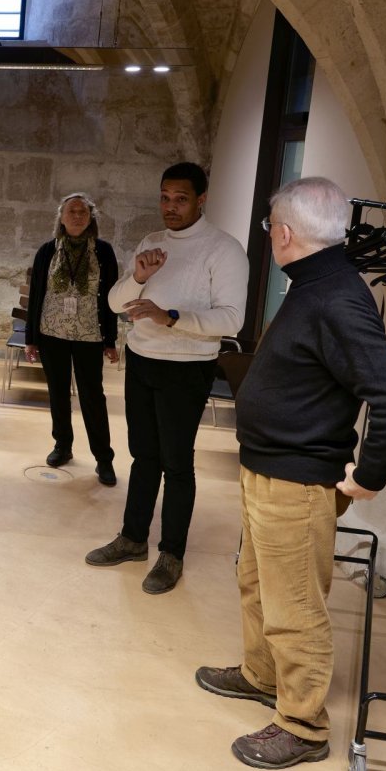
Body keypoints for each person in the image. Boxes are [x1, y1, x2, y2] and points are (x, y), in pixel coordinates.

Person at [195, 178, 386, 769]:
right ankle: (261, 674)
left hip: (297, 483)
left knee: (295, 606)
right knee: (257, 583)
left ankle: (302, 724)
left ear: (285, 233)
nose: (269, 234)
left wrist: (367, 478)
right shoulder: (316, 282)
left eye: (270, 226)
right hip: (268, 470)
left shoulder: (336, 296)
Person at [85, 162, 248, 594]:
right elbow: (116, 300)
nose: (170, 207)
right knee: (143, 456)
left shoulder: (224, 249)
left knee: (177, 464)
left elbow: (232, 319)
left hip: (187, 366)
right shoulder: (152, 242)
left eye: (180, 199)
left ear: (201, 200)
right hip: (142, 359)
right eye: (165, 197)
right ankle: (133, 538)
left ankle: (171, 554)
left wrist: (171, 316)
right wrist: (139, 277)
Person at [25, 193, 120, 485]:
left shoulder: (103, 252)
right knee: (57, 392)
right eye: (71, 211)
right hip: (52, 332)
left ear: (90, 218)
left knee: (93, 396)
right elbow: (36, 297)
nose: (77, 216)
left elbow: (111, 299)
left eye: (83, 211)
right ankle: (62, 445)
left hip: (89, 334)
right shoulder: (47, 251)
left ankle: (103, 458)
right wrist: (31, 338)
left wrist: (111, 339)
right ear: (61, 218)